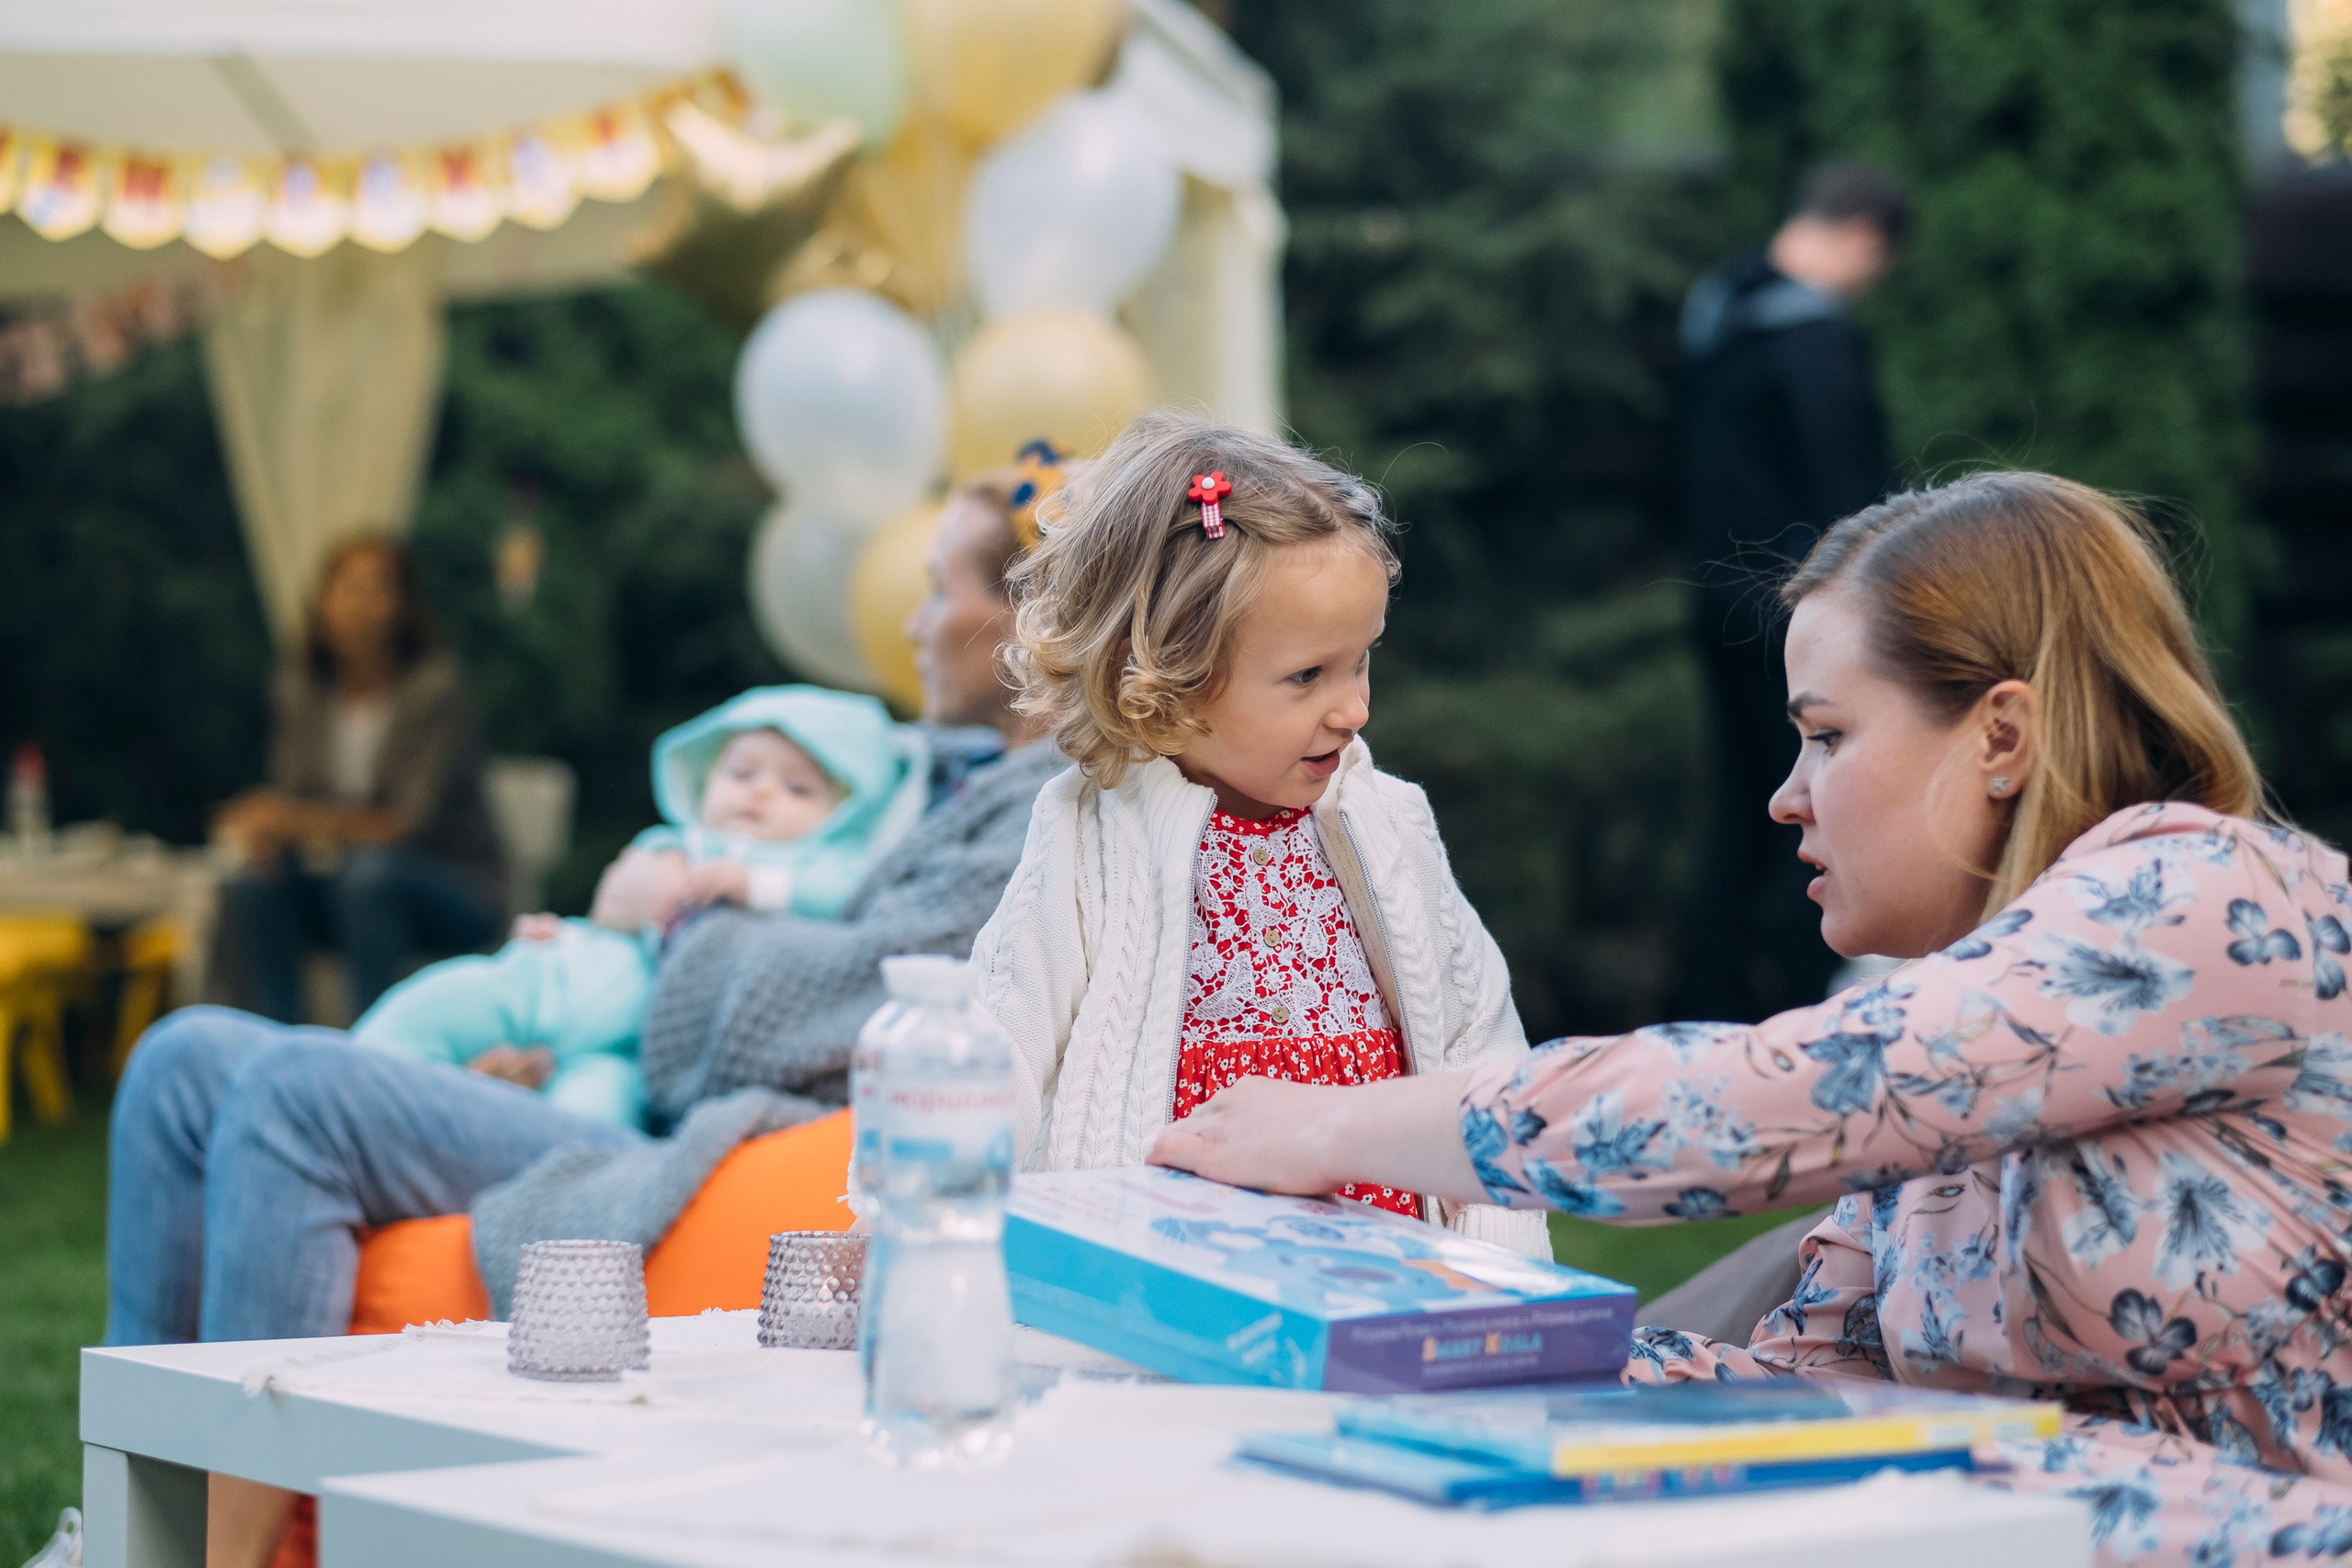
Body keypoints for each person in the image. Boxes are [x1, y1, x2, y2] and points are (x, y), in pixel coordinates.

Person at [1153, 470, 2352, 1565]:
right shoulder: (1950, 1018)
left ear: (2002, 736)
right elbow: (1803, 1381)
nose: (1786, 797)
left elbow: (1745, 1106)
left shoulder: (2202, 897)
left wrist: (1330, 1128)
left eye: (1827, 735)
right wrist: (1408, 1347)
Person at [106, 468, 1068, 1568]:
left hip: (697, 1137)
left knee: (294, 1094)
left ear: (1029, 620)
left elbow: (811, 1007)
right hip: (615, 1068)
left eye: (938, 588)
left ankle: (224, 1560)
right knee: (180, 1058)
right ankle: (136, 1514)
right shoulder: (938, 776)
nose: (910, 622)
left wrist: (670, 923)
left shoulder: (1032, 811)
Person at [973, 412, 1546, 1255]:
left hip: (1388, 1257)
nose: (1352, 707)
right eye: (1307, 675)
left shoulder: (1388, 824)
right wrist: (924, 1208)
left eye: (1362, 660)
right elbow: (999, 1047)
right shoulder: (1089, 834)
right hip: (1173, 1261)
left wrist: (1501, 1258)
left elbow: (1479, 1043)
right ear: (1168, 677)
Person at [351, 686, 929, 1127]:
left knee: (589, 1125)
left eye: (798, 788)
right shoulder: (673, 839)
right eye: (741, 772)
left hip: (626, 1045)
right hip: (545, 978)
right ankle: (349, 1090)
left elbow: (841, 894)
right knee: (426, 1009)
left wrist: (755, 886)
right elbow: (615, 905)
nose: (759, 792)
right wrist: (562, 930)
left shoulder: (812, 870)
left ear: (846, 814)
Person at [1676, 162, 1909, 1024]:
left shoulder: (1717, 311)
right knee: (1820, 807)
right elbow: (1852, 500)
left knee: (1739, 812)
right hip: (1802, 616)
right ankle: (1810, 1015)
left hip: (1718, 604)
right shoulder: (1814, 341)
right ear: (1862, 238)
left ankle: (1708, 1006)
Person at [213, 536, 503, 1021]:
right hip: (345, 888)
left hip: (452, 888)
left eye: (375, 589)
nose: (358, 607)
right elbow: (294, 803)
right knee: (255, 887)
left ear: (405, 606)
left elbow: (406, 823)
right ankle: (274, 1049)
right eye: (345, 589)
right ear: (321, 601)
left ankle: (369, 1057)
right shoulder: (301, 691)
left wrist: (287, 821)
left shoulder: (436, 689)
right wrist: (269, 839)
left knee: (369, 876)